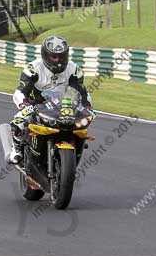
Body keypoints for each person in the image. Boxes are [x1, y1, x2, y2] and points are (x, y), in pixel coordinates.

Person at [8, 36, 93, 165]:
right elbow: (21, 91)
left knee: (81, 126)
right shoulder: (33, 68)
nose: (58, 60)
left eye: (61, 56)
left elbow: (83, 93)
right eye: (54, 57)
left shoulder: (74, 70)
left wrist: (87, 107)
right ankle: (17, 149)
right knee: (17, 123)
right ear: (45, 55)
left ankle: (75, 149)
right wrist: (24, 104)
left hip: (64, 107)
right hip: (37, 105)